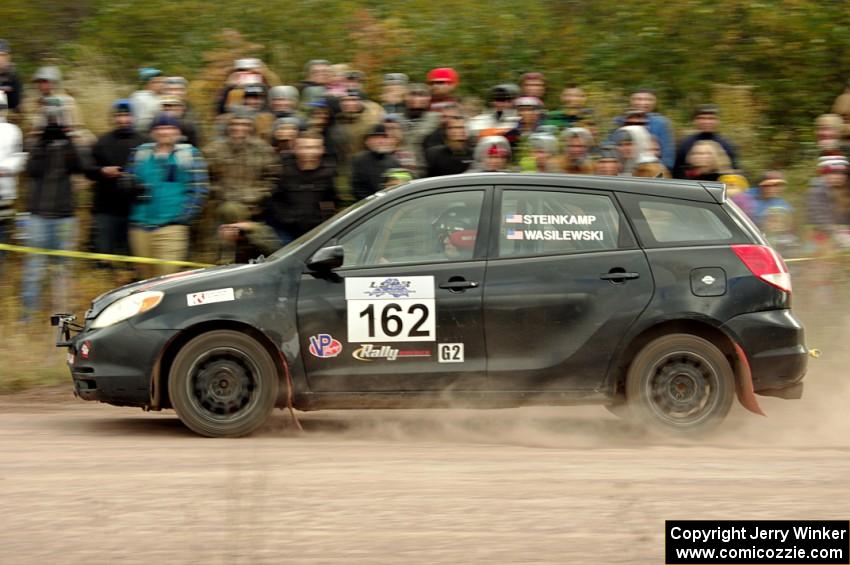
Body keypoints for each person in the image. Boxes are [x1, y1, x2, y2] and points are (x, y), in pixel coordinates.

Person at [21, 97, 84, 321]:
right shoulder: (37, 143)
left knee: (63, 269)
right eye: (49, 116)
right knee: (34, 269)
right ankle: (27, 316)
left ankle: (62, 316)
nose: (53, 120)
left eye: (57, 115)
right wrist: (41, 142)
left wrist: (67, 138)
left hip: (65, 217)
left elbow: (80, 166)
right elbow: (31, 170)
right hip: (38, 216)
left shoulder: (69, 143)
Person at [126, 113, 208, 279]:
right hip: (140, 227)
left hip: (171, 228)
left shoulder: (189, 154)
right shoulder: (140, 153)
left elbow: (199, 189)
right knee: (144, 280)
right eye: (159, 128)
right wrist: (129, 185)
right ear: (152, 132)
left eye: (170, 127)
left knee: (166, 280)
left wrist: (182, 218)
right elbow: (127, 180)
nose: (164, 132)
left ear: (178, 132)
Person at [83, 100, 146, 261]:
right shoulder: (102, 141)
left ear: (134, 117)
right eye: (119, 116)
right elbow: (88, 170)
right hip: (106, 209)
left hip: (136, 210)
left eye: (127, 115)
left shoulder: (145, 142)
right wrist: (102, 171)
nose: (123, 120)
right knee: (104, 258)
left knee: (132, 259)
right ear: (113, 118)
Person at [204, 110, 279, 230]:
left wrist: (258, 194)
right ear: (228, 127)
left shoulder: (263, 149)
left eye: (245, 124)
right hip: (222, 207)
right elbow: (206, 177)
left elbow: (273, 176)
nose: (239, 128)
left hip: (255, 208)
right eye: (235, 124)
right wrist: (221, 194)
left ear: (252, 127)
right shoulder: (213, 150)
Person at [613, 88, 675, 170]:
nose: (643, 103)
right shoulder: (619, 121)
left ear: (655, 103)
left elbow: (668, 156)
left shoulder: (661, 123)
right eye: (639, 99)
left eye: (648, 100)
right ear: (631, 101)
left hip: (651, 171)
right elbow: (610, 147)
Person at [673, 104, 738, 178]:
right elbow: (677, 172)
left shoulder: (726, 145)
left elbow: (734, 172)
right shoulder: (686, 144)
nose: (706, 122)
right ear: (695, 121)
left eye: (711, 118)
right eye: (702, 118)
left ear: (717, 121)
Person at [0, 91, 25, 277]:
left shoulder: (13, 131)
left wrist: (5, 168)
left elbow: (21, 157)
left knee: (2, 233)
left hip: (5, 191)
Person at [23, 66, 82, 140]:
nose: (40, 85)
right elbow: (35, 128)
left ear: (54, 82)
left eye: (44, 82)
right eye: (39, 82)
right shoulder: (39, 102)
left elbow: (73, 127)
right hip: (45, 142)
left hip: (67, 140)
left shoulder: (67, 100)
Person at [396, 83, 441, 176]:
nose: (416, 99)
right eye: (412, 94)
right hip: (399, 172)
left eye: (421, 95)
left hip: (427, 172)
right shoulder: (395, 119)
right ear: (405, 98)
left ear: (429, 98)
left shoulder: (437, 119)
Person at [807, 156, 850, 247]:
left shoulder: (846, 190)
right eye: (833, 173)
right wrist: (836, 233)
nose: (839, 176)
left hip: (843, 233)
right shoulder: (816, 191)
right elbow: (819, 217)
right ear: (824, 174)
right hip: (820, 234)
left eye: (842, 173)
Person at [351, 124, 401, 200]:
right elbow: (358, 189)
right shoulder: (359, 160)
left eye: (384, 138)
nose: (381, 141)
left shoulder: (394, 161)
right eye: (376, 138)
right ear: (368, 141)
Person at [130, 68, 164, 134]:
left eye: (162, 81)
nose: (162, 84)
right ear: (147, 84)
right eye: (157, 82)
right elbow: (141, 123)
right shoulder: (139, 97)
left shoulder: (162, 96)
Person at [0, 40, 22, 116]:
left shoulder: (13, 76)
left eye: (3, 55)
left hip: (8, 115)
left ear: (8, 57)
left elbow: (16, 103)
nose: (1, 59)